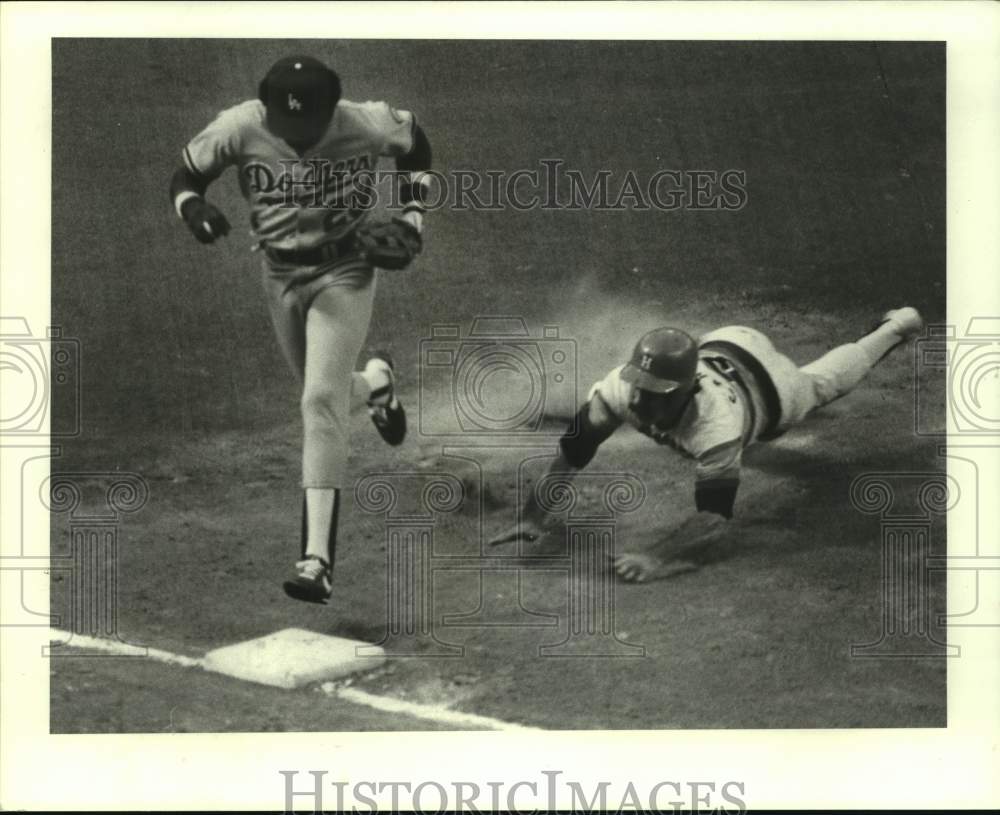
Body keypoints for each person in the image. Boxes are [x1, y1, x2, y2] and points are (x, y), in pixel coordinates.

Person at [169, 55, 433, 604]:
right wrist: (192, 206)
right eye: (287, 126)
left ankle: (317, 561)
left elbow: (418, 149)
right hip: (280, 276)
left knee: (318, 401)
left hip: (348, 271)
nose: (298, 136)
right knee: (326, 396)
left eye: (308, 124)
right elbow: (187, 173)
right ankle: (378, 384)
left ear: (331, 108)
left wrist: (412, 216)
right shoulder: (239, 125)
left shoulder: (366, 122)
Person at [488, 307, 925, 581]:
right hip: (726, 340)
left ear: (682, 393)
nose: (639, 397)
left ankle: (894, 328)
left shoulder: (716, 429)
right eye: (639, 385)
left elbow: (713, 519)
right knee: (596, 420)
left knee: (817, 387)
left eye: (653, 390)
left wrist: (659, 556)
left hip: (773, 392)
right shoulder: (619, 391)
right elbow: (570, 456)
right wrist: (533, 516)